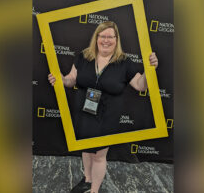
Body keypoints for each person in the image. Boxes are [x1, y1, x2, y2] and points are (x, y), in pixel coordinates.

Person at [48, 21, 158, 193]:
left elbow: (140, 85)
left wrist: (149, 71)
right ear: (96, 38)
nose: (106, 40)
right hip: (84, 112)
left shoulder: (124, 62)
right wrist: (61, 79)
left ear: (116, 39)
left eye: (110, 37)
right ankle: (87, 181)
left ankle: (94, 190)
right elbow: (71, 79)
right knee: (86, 148)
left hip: (108, 117)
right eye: (102, 36)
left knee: (99, 156)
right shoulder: (84, 56)